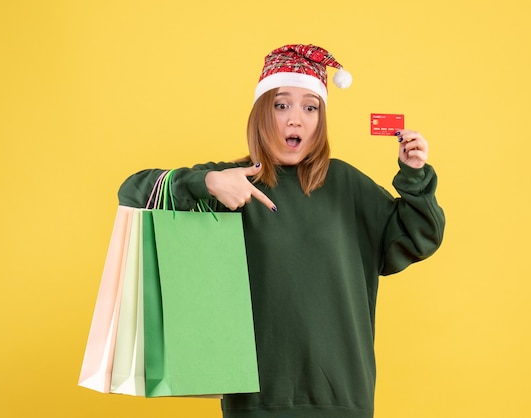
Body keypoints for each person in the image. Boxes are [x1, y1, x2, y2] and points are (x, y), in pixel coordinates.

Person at [118, 44, 445, 418]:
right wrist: (206, 183)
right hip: (255, 400)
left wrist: (414, 176)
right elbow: (133, 192)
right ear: (261, 113)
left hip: (342, 398)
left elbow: (419, 234)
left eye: (310, 107)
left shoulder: (346, 185)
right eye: (281, 104)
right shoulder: (233, 182)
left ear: (321, 120)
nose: (296, 120)